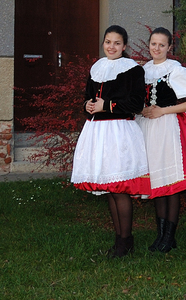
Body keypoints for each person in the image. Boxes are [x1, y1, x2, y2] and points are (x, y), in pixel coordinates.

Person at [71, 25, 149, 258]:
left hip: (119, 132)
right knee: (109, 189)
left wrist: (107, 105)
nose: (111, 47)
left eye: (116, 43)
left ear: (124, 46)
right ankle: (119, 241)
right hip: (97, 133)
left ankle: (126, 241)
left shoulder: (133, 70)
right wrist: (87, 105)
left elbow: (136, 104)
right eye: (108, 42)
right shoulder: (97, 67)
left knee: (119, 188)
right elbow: (88, 97)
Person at [136, 27, 186, 252]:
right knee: (156, 181)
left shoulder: (175, 70)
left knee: (170, 182)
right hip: (147, 128)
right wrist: (142, 110)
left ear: (169, 47)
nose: (157, 48)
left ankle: (169, 236)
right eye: (153, 44)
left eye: (162, 45)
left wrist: (162, 110)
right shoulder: (143, 70)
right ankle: (161, 234)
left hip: (168, 127)